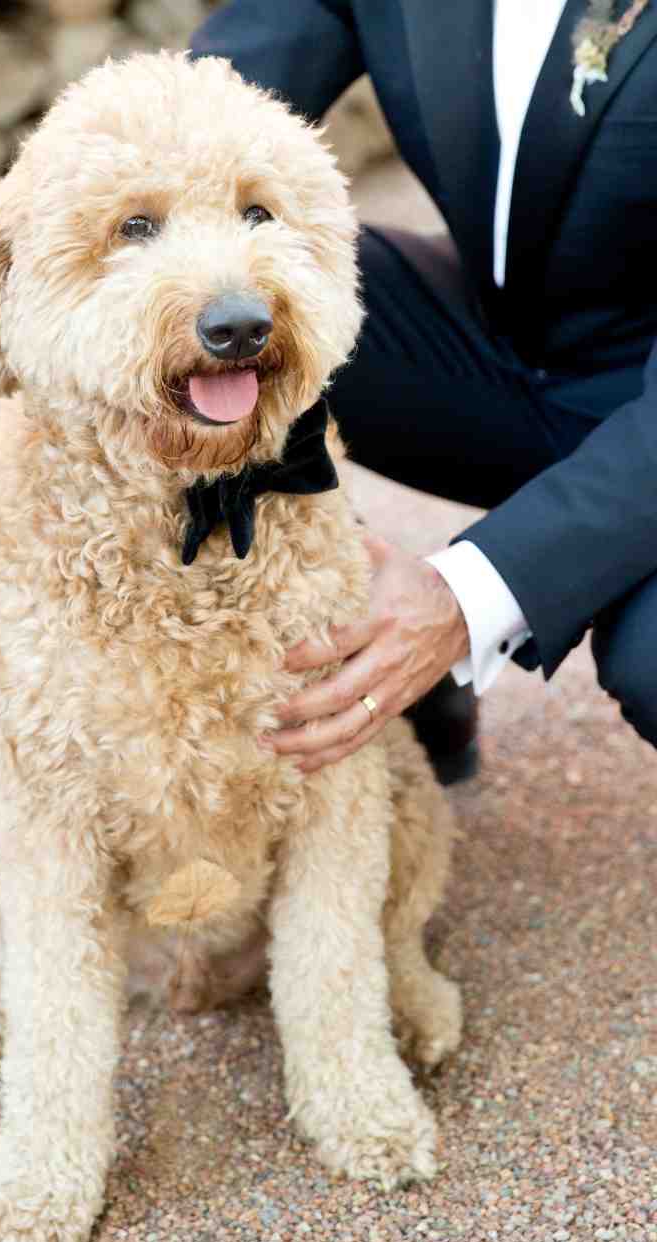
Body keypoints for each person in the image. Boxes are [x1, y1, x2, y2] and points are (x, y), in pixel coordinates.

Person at [191, 0, 657, 782]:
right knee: (178, 333)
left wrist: (461, 601)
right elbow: (190, 120)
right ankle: (364, 667)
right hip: (514, 340)